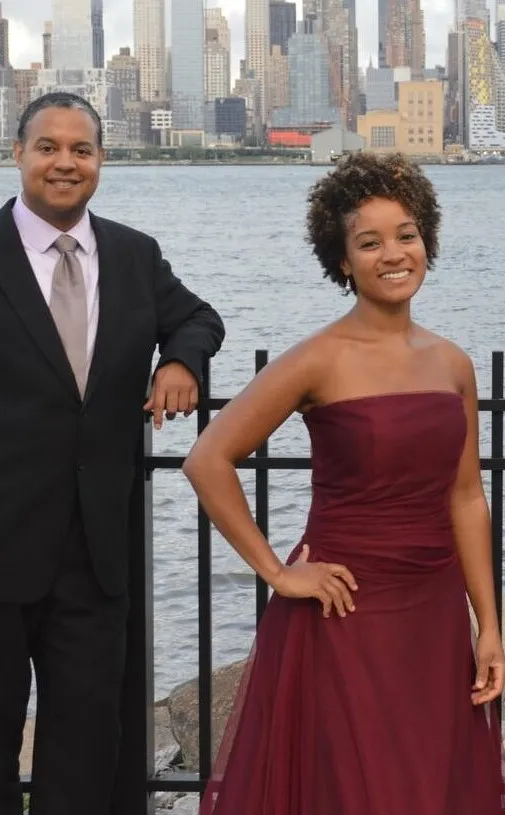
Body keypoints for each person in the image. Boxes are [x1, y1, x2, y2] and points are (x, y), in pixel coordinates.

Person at [182, 151, 505, 815]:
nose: (393, 253)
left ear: (428, 243)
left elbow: (465, 496)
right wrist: (278, 572)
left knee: (426, 787)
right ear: (341, 260)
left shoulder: (452, 363)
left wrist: (489, 626)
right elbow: (207, 458)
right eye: (369, 242)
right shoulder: (317, 359)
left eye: (407, 235)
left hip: (433, 613)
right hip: (342, 612)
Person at [0, 92, 225, 815]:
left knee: (88, 746)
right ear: (19, 154)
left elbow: (196, 316)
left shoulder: (134, 253)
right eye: (48, 147)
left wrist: (180, 361)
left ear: (101, 160)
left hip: (96, 554)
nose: (65, 162)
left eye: (82, 149)